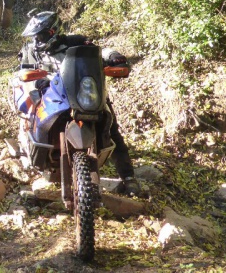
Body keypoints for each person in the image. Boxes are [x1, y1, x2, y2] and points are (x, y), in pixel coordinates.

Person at [18, 10, 141, 197]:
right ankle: (29, 150)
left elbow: (97, 50)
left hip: (82, 92)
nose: (37, 40)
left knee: (111, 127)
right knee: (30, 110)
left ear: (53, 31)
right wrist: (38, 81)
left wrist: (113, 56)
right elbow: (23, 75)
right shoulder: (30, 51)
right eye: (36, 36)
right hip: (52, 94)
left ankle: (129, 178)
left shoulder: (75, 42)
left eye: (41, 35)